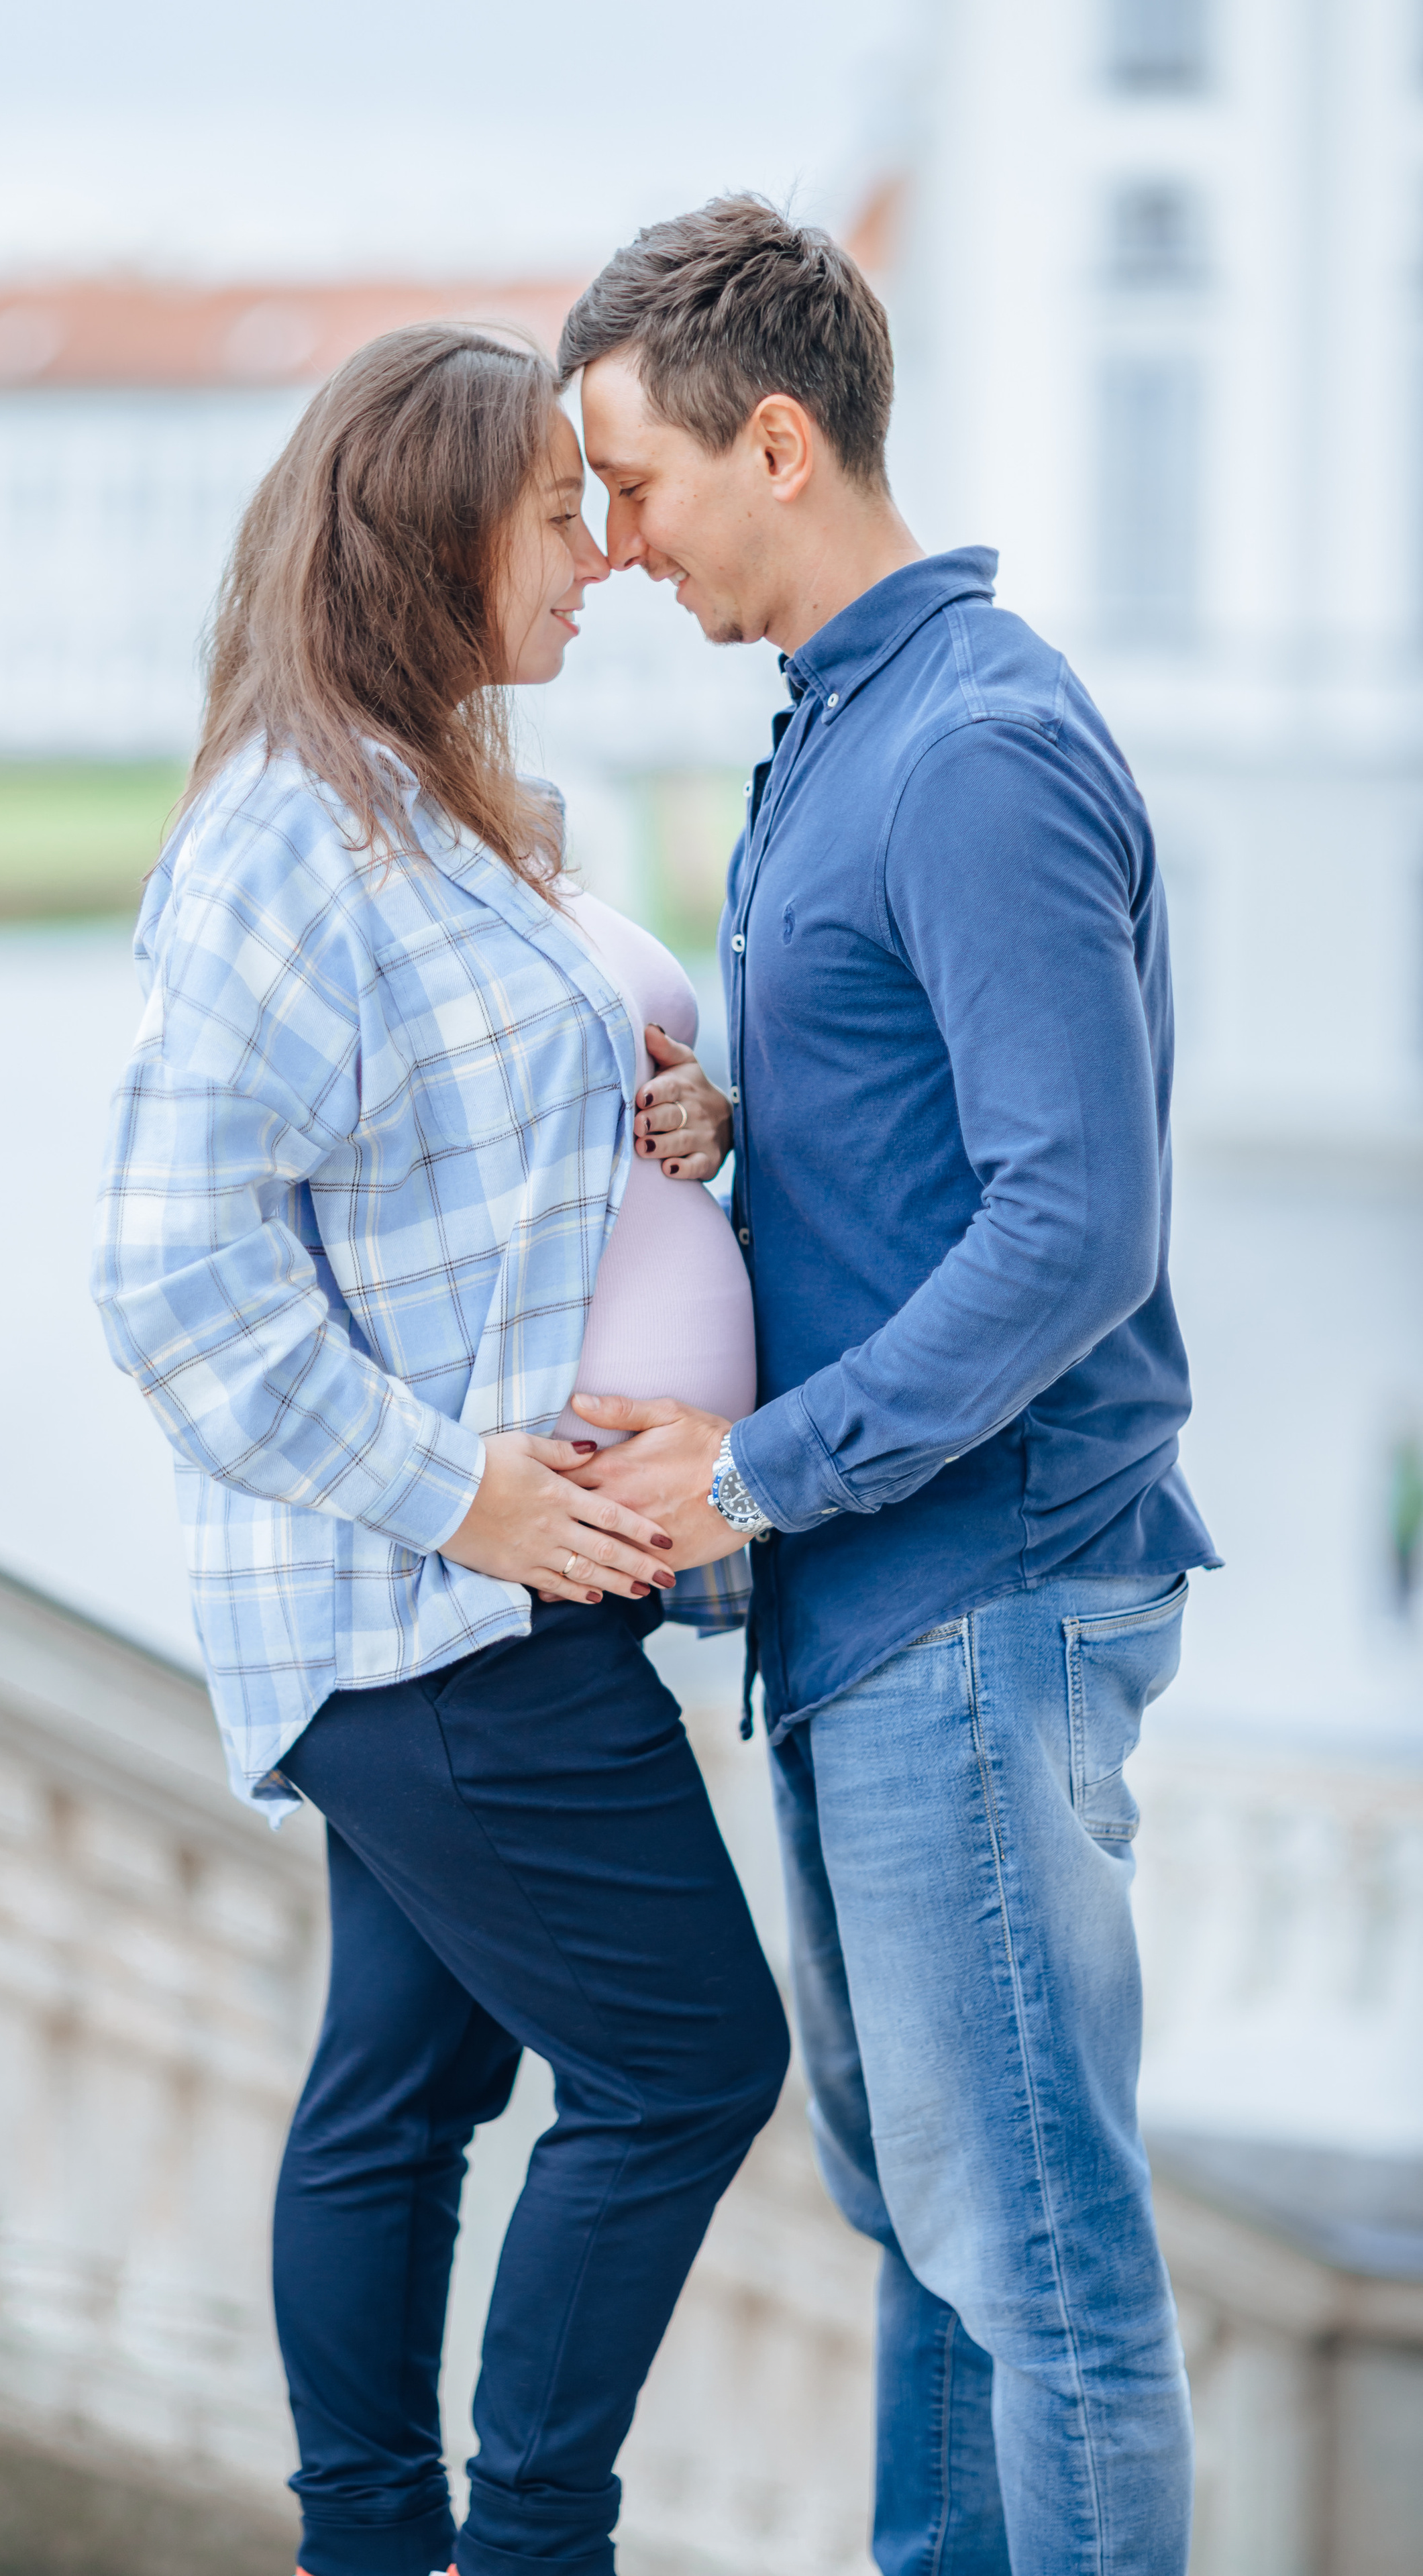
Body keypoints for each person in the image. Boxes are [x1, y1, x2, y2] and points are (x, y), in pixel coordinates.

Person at [554, 199, 1221, 2576]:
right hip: (878, 1605)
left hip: (979, 1592)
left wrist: (748, 1467)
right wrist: (749, 1127)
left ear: (779, 435)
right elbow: (951, 1144)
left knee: (1042, 2268)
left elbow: (1076, 1226)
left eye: (635, 485)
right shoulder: (850, 729)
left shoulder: (975, 747)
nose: (613, 544)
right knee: (942, 2247)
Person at [91, 322, 788, 2576]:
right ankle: (526, 2547)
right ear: (429, 532)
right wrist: (465, 1496)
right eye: (558, 514)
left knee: (408, 2094)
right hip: (438, 1614)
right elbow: (173, 1283)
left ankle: (376, 2552)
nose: (597, 556)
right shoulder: (286, 839)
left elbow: (512, 1134)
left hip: (491, 1602)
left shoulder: (435, 802)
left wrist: (699, 1103)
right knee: (689, 2064)